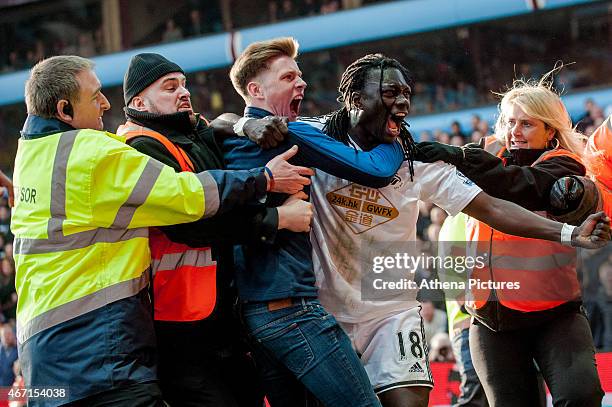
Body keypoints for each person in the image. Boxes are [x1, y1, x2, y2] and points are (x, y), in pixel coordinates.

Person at [222, 50, 609, 407]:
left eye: (407, 93)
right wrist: (241, 124)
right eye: (391, 92)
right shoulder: (314, 137)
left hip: (392, 312)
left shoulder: (418, 158)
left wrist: (569, 234)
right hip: (325, 311)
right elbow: (220, 126)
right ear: (356, 99)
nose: (404, 103)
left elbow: (493, 207)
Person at [11, 55, 309, 406]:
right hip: (98, 353)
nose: (106, 103)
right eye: (95, 96)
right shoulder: (91, 152)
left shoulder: (29, 153)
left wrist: (241, 125)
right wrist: (265, 180)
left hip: (45, 360)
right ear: (64, 110)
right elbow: (186, 196)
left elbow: (213, 125)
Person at [221, 37, 408, 407]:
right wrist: (396, 136)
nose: (301, 83)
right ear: (256, 90)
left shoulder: (226, 140)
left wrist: (237, 123)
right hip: (293, 312)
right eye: (289, 76)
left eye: (300, 76)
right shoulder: (288, 133)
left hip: (254, 316)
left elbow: (215, 124)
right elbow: (375, 171)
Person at [119, 52, 313, 406]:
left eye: (184, 84)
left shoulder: (188, 131)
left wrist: (244, 124)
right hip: (180, 322)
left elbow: (220, 122)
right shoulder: (139, 147)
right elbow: (189, 226)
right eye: (170, 87)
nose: (184, 92)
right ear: (138, 102)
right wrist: (277, 218)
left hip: (222, 311)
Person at [416, 74, 605, 406]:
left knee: (580, 396)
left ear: (550, 131)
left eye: (527, 124)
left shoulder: (564, 165)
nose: (515, 131)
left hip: (555, 315)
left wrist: (461, 158)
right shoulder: (485, 152)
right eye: (510, 121)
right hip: (491, 320)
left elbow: (521, 185)